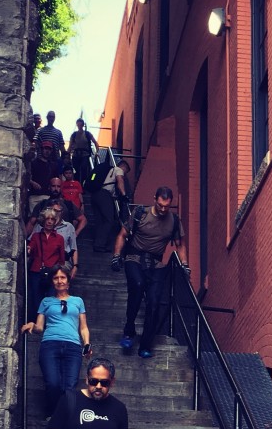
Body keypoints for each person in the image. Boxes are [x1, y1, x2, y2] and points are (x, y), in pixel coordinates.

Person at [111, 185, 189, 358]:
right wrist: (116, 256)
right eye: (160, 205)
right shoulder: (140, 213)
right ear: (154, 199)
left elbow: (180, 244)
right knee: (138, 286)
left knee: (154, 302)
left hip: (156, 263)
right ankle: (129, 331)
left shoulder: (174, 221)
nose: (163, 209)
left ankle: (145, 345)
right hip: (134, 257)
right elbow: (122, 234)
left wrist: (184, 264)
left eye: (167, 206)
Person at [20, 266, 90, 415]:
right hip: (50, 345)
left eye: (62, 277)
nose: (59, 281)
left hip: (73, 347)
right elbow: (40, 327)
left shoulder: (78, 301)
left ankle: (64, 418)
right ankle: (52, 414)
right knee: (53, 384)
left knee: (70, 386)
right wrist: (32, 325)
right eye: (56, 278)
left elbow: (83, 327)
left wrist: (87, 344)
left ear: (68, 280)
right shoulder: (46, 301)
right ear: (52, 281)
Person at [25, 211, 67, 321]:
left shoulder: (59, 238)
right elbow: (31, 248)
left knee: (51, 298)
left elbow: (61, 259)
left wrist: (59, 272)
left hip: (52, 272)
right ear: (43, 221)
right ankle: (37, 322)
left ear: (55, 221)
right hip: (37, 270)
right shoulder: (36, 236)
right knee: (36, 298)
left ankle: (49, 321)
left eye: (52, 219)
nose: (49, 222)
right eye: (47, 219)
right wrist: (29, 249)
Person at [90, 151, 127, 253]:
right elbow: (120, 181)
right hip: (104, 195)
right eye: (126, 171)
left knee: (100, 221)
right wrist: (124, 194)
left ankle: (98, 244)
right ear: (123, 167)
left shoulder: (108, 171)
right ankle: (101, 244)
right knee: (109, 220)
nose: (125, 174)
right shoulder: (119, 169)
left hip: (95, 194)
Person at [67, 118, 97, 182]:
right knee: (75, 171)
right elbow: (70, 146)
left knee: (84, 170)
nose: (79, 126)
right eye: (78, 125)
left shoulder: (87, 134)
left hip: (85, 155)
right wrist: (66, 155)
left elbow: (96, 143)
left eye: (80, 125)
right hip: (76, 155)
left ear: (83, 125)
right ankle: (77, 183)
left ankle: (84, 182)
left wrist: (96, 152)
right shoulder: (74, 134)